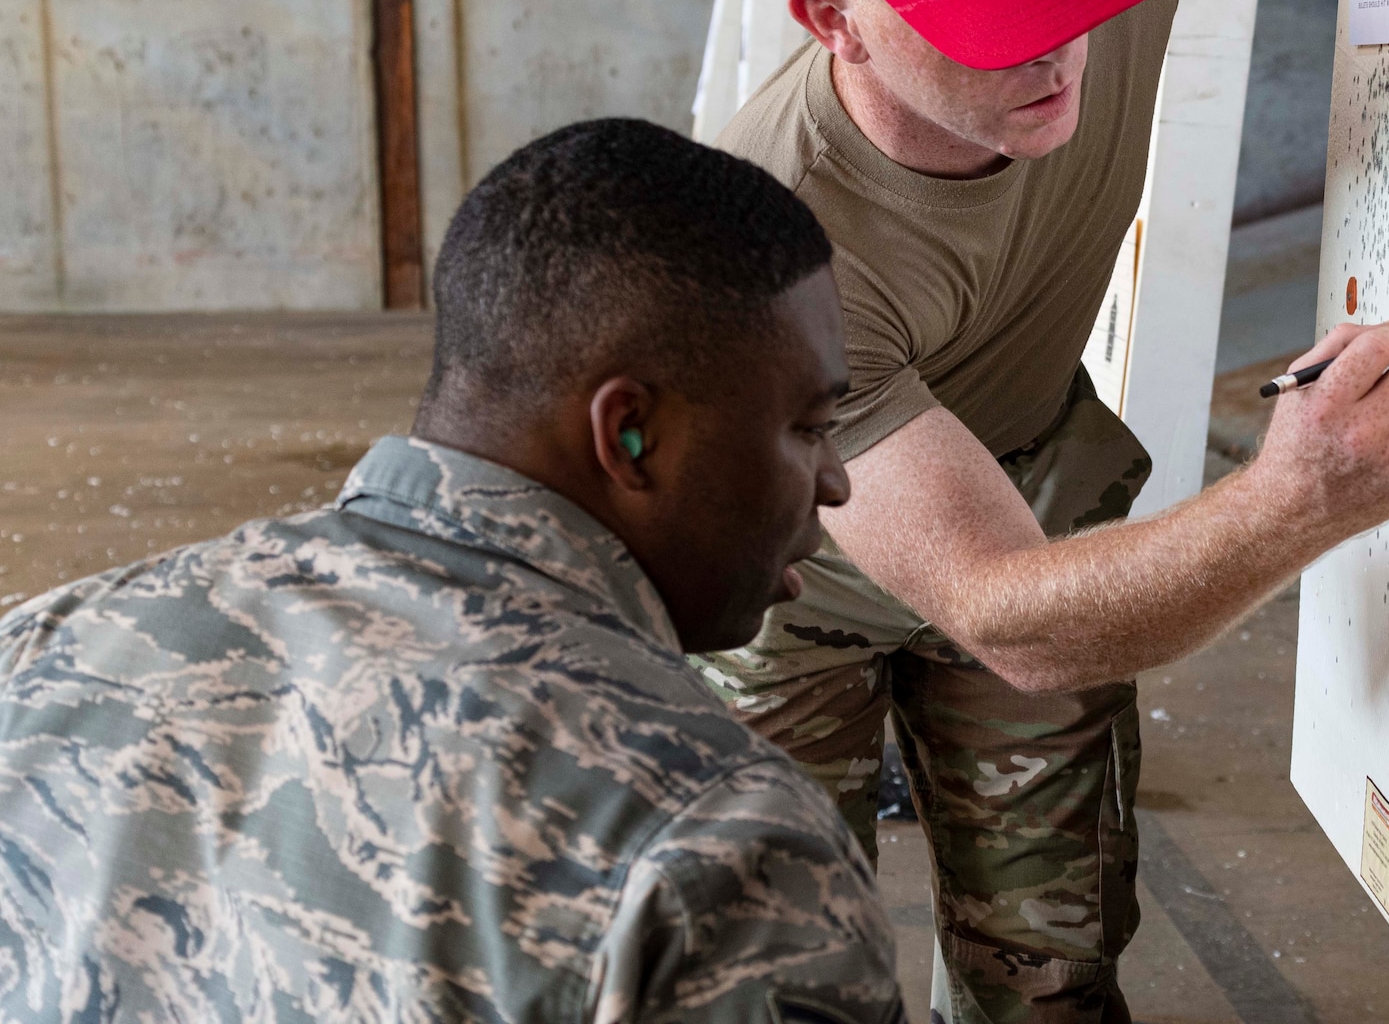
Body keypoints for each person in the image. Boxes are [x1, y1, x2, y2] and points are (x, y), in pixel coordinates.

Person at [702, 0, 1389, 1022]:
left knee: (1047, 976)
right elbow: (1006, 608)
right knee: (772, 986)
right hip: (784, 575)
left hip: (1029, 477)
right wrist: (1300, 502)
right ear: (834, 23)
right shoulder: (775, 252)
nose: (1057, 45)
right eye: (992, 21)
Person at [0, 120, 906, 1023]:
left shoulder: (40, 649)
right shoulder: (719, 845)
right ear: (629, 434)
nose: (835, 480)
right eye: (810, 427)